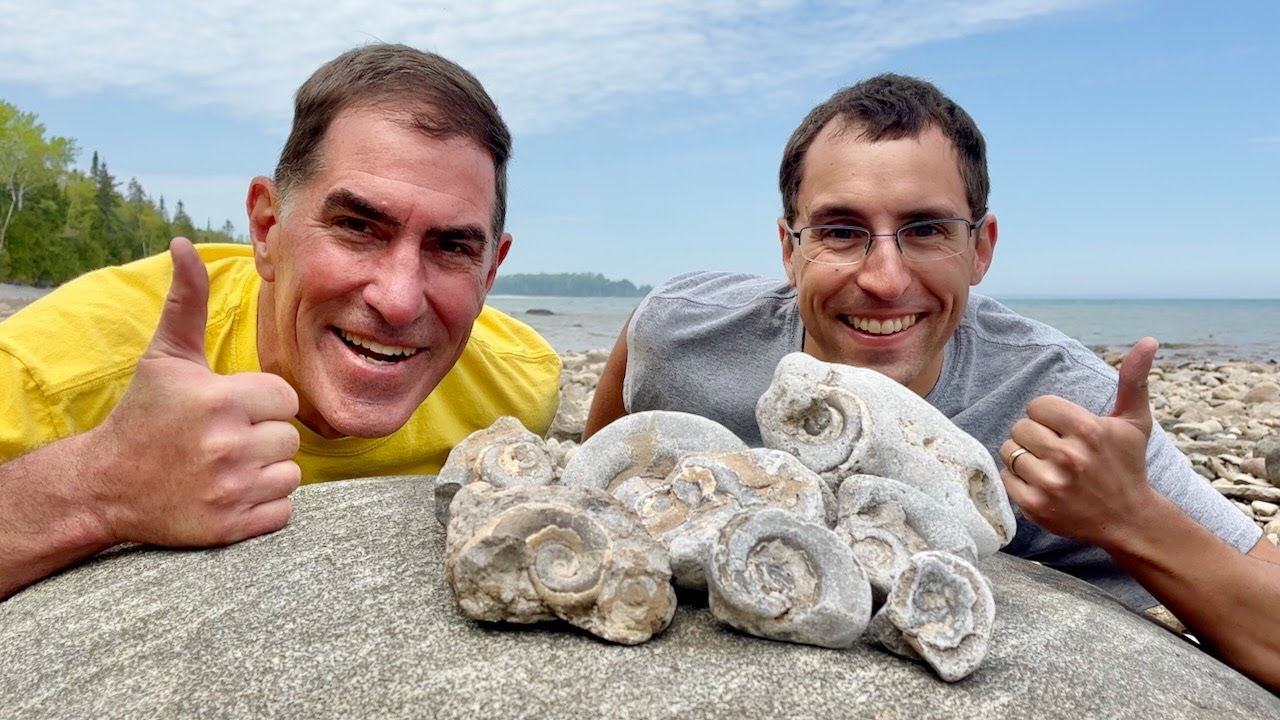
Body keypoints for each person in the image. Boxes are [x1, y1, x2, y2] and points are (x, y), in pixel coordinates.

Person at [583, 74, 1280, 689]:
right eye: (840, 231)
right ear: (788, 248)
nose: (885, 280)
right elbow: (602, 461)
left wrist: (1129, 516)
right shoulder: (687, 331)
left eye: (925, 230)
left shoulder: (1062, 402)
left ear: (981, 248)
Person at [0, 44, 561, 601]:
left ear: (490, 273)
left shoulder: (517, 390)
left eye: (451, 247)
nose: (397, 301)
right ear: (267, 228)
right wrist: (103, 484)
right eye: (357, 227)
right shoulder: (55, 375)